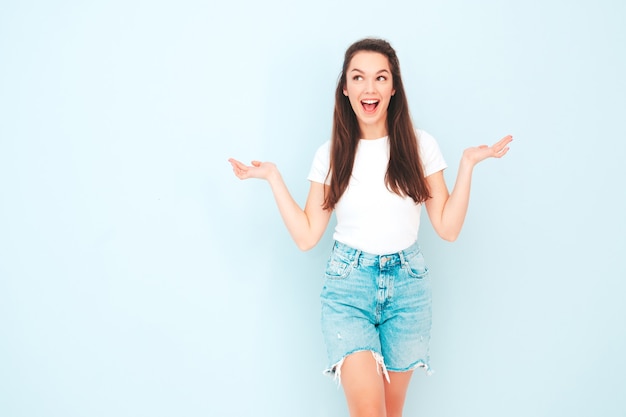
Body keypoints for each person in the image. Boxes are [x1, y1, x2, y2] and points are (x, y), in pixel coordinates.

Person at [228, 38, 512, 417]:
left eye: (380, 78)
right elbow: (307, 234)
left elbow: (447, 227)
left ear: (393, 88)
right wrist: (274, 178)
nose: (369, 88)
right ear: (345, 88)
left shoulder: (419, 146)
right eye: (358, 77)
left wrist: (467, 165)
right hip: (349, 289)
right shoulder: (331, 154)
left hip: (409, 290)